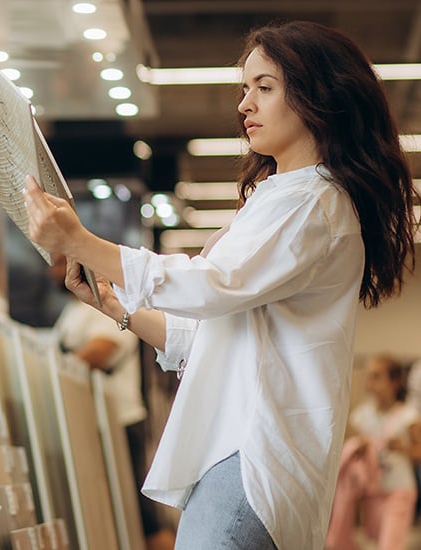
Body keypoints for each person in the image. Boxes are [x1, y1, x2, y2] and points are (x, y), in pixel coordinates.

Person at [23, 20, 418, 550]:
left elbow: (213, 285)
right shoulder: (286, 197)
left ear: (317, 97)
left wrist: (85, 242)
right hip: (236, 462)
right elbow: (205, 331)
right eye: (244, 88)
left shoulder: (313, 200)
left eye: (265, 86)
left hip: (251, 463)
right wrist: (113, 306)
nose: (245, 105)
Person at [48, 253, 176, 550]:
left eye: (58, 265)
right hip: (91, 424)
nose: (53, 273)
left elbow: (105, 347)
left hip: (119, 421)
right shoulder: (72, 312)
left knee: (141, 512)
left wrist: (60, 369)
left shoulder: (104, 305)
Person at [325, 355, 421, 550]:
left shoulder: (409, 415)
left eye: (377, 376)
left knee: (390, 546)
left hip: (399, 491)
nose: (370, 382)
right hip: (373, 491)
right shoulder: (361, 416)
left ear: (395, 382)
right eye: (369, 377)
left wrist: (403, 448)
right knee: (375, 543)